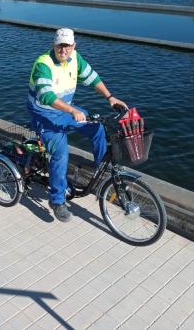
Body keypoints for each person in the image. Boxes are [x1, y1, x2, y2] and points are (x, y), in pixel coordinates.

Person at [28, 28, 127, 222]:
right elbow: (46, 96)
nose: (63, 50)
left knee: (97, 128)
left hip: (65, 110)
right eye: (59, 46)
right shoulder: (43, 64)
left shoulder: (75, 59)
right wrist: (72, 111)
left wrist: (110, 97)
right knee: (60, 153)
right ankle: (57, 201)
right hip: (44, 114)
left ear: (74, 46)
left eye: (67, 46)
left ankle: (101, 170)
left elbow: (93, 78)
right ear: (53, 45)